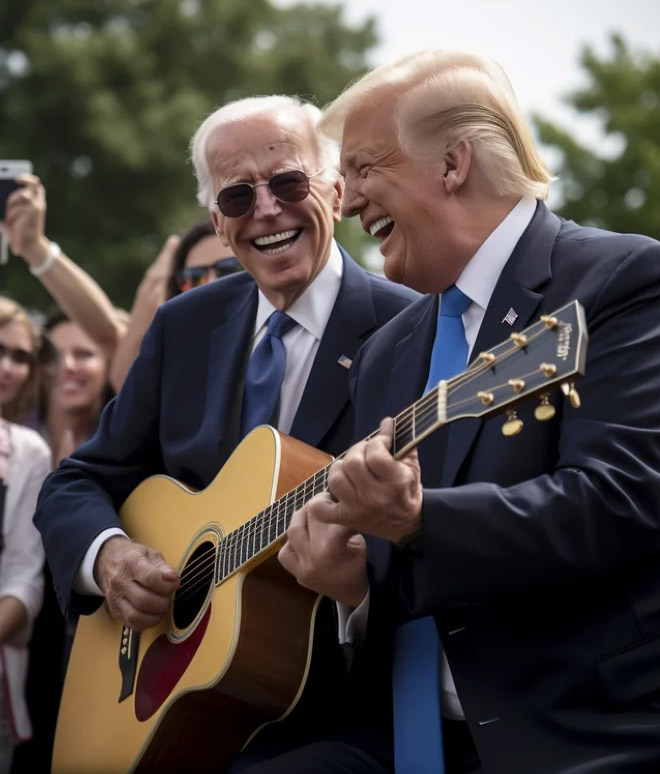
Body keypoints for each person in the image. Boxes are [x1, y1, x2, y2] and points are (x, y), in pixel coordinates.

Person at [278, 49, 660, 773]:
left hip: (578, 736)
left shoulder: (622, 278)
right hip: (402, 741)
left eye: (361, 168)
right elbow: (400, 580)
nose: (345, 200)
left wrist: (419, 521)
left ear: (453, 164)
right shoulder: (388, 349)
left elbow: (620, 501)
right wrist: (351, 589)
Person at [34, 94, 419, 772]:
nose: (265, 209)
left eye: (288, 183)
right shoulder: (186, 325)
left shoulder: (411, 328)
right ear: (217, 220)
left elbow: (438, 543)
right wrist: (111, 557)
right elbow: (78, 481)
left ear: (333, 189)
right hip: (170, 697)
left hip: (336, 710)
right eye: (237, 197)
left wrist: (357, 581)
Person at [0, 298, 49, 774]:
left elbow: (24, 580)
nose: (8, 367)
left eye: (20, 357)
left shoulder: (28, 451)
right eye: (0, 350)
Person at [109, 219, 242, 392]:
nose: (210, 283)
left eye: (227, 270)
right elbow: (125, 385)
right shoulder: (178, 358)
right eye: (194, 277)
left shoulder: (275, 336)